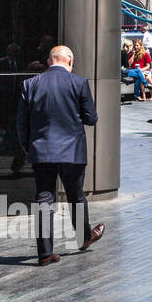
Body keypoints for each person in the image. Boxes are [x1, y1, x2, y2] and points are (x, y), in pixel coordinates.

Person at [16, 46, 103, 266]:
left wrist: (29, 147)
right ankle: (84, 237)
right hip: (72, 150)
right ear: (70, 61)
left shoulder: (30, 84)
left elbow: (21, 123)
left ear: (48, 61)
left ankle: (45, 253)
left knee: (44, 199)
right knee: (76, 196)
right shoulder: (79, 83)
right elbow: (91, 118)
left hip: (41, 150)